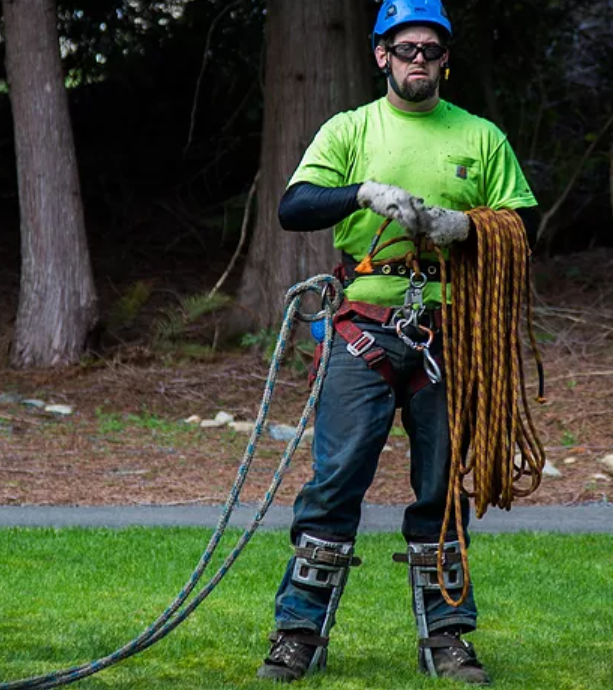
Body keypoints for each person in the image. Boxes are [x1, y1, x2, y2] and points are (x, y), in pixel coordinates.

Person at [256, 0, 538, 685]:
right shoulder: (350, 129)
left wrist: (468, 228)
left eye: (430, 49)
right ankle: (298, 635)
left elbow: (523, 224)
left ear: (446, 59)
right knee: (333, 485)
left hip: (450, 330)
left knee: (442, 491)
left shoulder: (480, 137)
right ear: (381, 54)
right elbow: (294, 207)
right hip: (363, 330)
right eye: (406, 48)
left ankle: (448, 639)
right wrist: (362, 194)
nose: (419, 59)